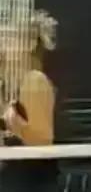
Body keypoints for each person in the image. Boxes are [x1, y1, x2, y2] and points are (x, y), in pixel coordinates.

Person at [0, 10, 59, 192]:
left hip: (30, 182)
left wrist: (13, 122)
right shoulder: (14, 85)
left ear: (30, 44)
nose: (3, 46)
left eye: (9, 40)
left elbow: (42, 141)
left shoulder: (35, 81)